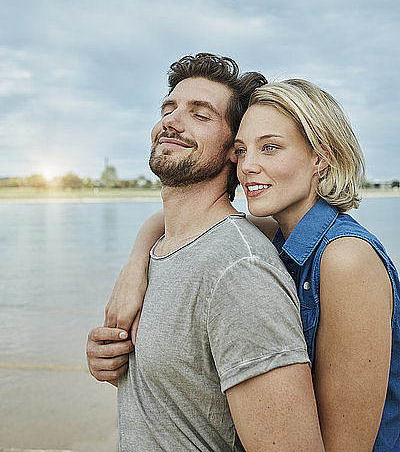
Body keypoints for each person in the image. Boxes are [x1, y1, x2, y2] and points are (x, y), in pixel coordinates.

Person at [88, 67, 400, 450]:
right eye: (241, 150)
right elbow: (176, 222)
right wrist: (136, 266)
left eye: (270, 147)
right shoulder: (280, 232)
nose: (248, 165)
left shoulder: (344, 260)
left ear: (321, 159)